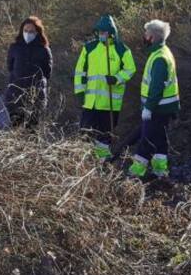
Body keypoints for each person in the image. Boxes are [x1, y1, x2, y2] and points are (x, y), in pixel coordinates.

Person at [73, 14, 136, 161]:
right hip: (90, 102)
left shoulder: (122, 50)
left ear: (112, 33)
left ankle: (102, 163)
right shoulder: (89, 48)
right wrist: (80, 92)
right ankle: (83, 161)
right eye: (100, 32)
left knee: (104, 136)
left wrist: (117, 79)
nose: (102, 35)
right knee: (85, 133)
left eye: (104, 32)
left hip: (109, 104)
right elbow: (80, 71)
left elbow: (130, 69)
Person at [126, 19, 179, 181]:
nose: (144, 37)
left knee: (147, 140)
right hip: (164, 108)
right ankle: (160, 172)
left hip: (158, 109)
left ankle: (135, 173)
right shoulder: (161, 53)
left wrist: (148, 108)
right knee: (160, 140)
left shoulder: (159, 58)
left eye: (146, 34)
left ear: (153, 37)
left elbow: (157, 87)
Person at [5, 16, 53, 129]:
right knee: (15, 129)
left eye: (31, 31)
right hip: (15, 96)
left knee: (32, 131)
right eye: (25, 31)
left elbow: (48, 72)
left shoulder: (44, 50)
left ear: (38, 32)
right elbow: (10, 67)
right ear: (21, 31)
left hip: (36, 96)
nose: (28, 33)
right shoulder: (14, 48)